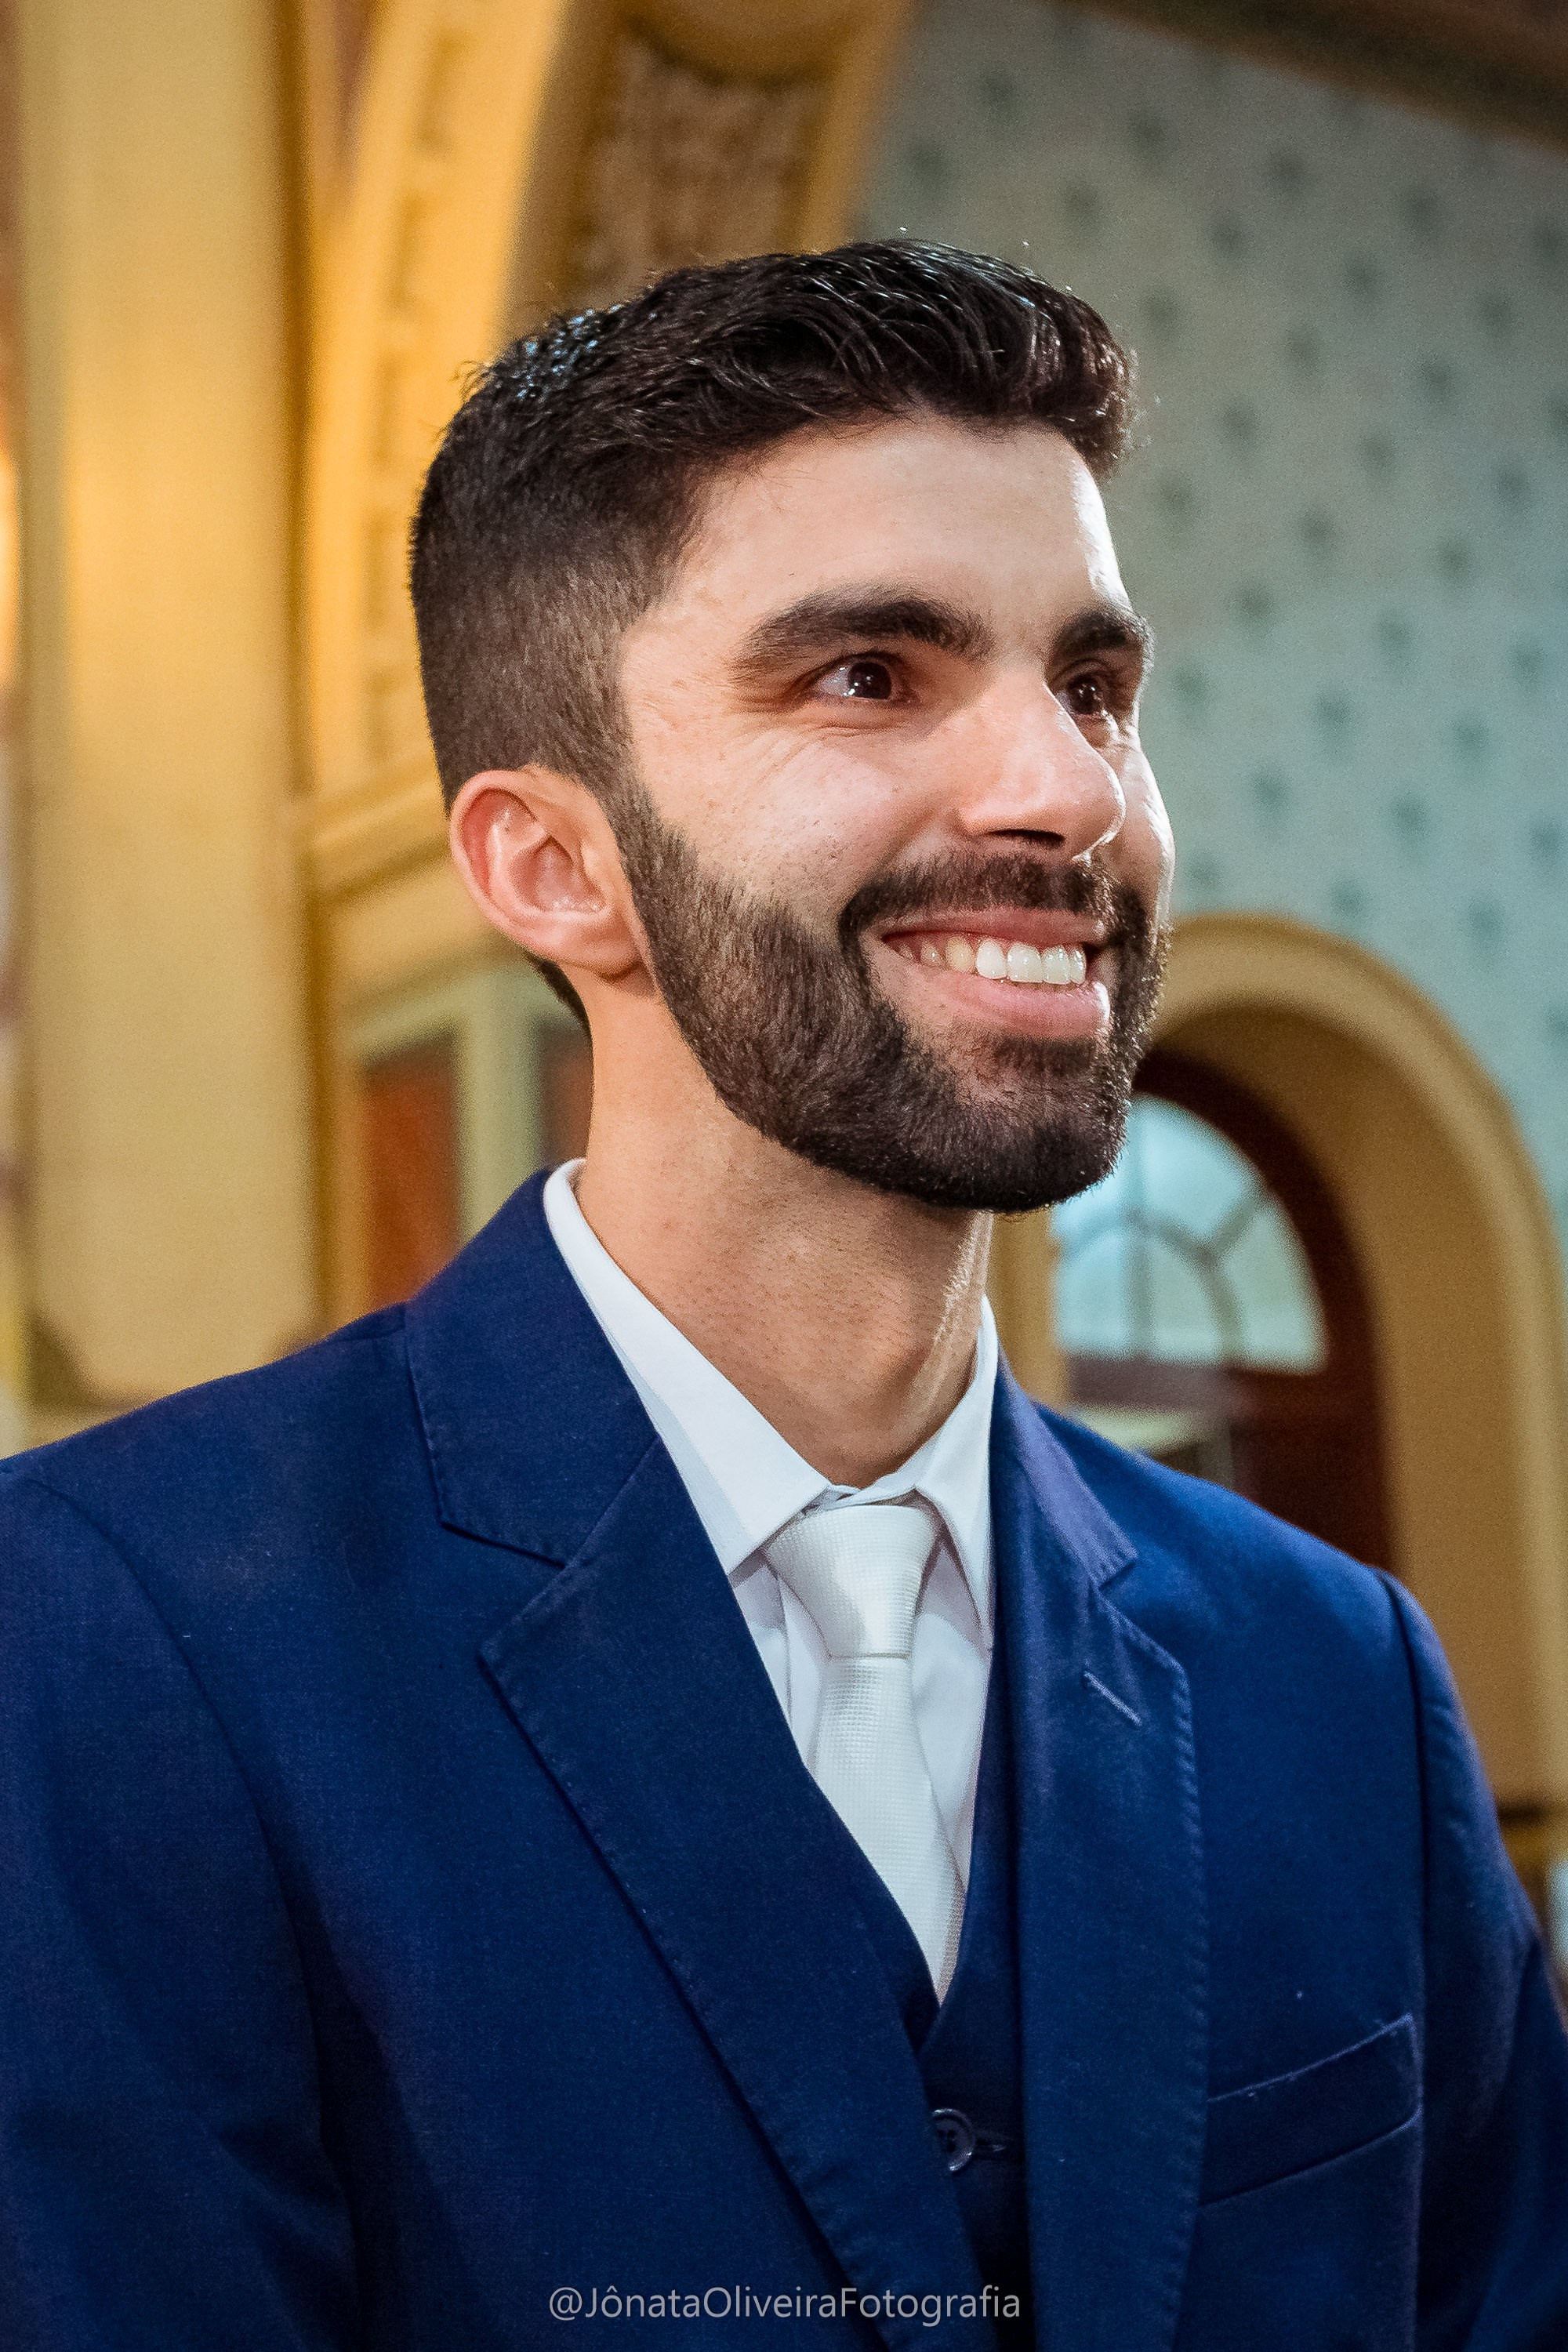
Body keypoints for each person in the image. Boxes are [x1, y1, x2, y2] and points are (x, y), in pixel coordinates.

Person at [2, 241, 1564, 2352]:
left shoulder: (1335, 1673)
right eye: (868, 678)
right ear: (554, 866)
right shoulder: (118, 1636)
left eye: (1094, 688)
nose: (1068, 792)